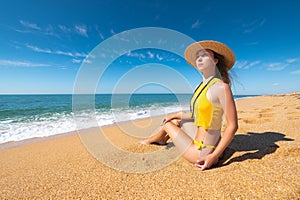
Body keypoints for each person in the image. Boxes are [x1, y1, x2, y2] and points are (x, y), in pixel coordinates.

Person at [141, 40, 238, 170]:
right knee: (175, 121)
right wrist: (174, 115)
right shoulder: (201, 86)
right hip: (201, 141)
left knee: (167, 124)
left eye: (204, 55)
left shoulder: (221, 87)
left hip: (202, 152)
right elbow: (198, 114)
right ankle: (160, 138)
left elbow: (233, 126)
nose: (199, 58)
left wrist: (214, 156)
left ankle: (156, 139)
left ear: (215, 61)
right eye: (198, 56)